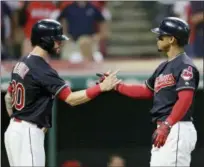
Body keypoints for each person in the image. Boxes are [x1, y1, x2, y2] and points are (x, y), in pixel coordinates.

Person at [4, 19, 120, 167]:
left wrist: (17, 120)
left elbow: (8, 97)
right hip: (28, 132)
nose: (60, 43)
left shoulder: (22, 61)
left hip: (13, 131)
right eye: (57, 40)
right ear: (45, 40)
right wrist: (101, 88)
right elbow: (71, 98)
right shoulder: (42, 69)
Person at [97, 17, 200, 166]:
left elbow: (185, 99)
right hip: (166, 127)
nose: (157, 39)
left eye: (161, 36)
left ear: (171, 39)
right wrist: (117, 85)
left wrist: (167, 124)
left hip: (177, 127)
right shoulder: (163, 67)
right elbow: (146, 91)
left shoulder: (185, 65)